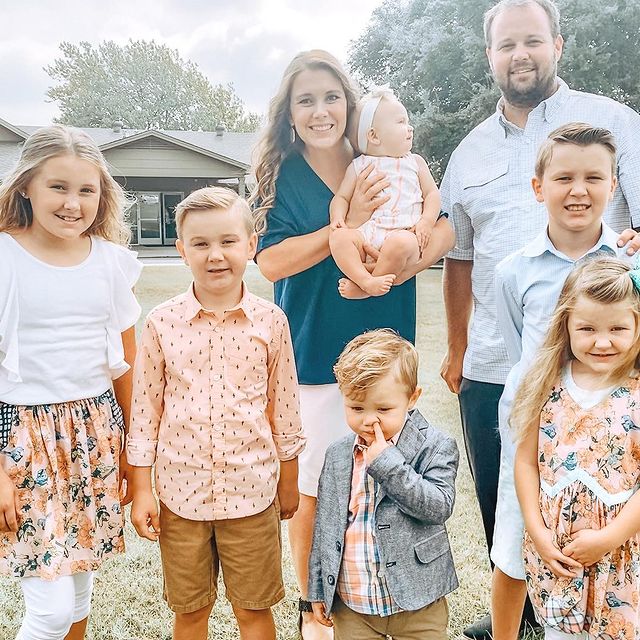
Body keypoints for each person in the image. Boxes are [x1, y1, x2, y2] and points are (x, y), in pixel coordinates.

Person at [438, 0, 640, 636]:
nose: (519, 54)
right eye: (506, 44)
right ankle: (527, 615)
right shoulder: (469, 152)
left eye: (532, 40)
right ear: (489, 56)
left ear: (558, 44)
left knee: (604, 506)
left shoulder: (615, 124)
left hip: (606, 388)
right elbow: (461, 259)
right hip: (506, 373)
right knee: (510, 512)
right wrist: (458, 349)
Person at [251, 49, 454, 639]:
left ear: (351, 104)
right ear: (289, 113)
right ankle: (314, 608)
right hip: (316, 351)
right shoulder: (285, 175)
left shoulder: (383, 158)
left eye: (331, 97)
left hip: (386, 342)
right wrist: (345, 224)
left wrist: (404, 260)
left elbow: (443, 228)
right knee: (317, 485)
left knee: (385, 476)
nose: (320, 111)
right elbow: (271, 261)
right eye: (305, 101)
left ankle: (380, 601)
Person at [127, 187, 305, 640]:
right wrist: (143, 490)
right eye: (201, 244)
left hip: (252, 492)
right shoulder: (162, 322)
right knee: (190, 612)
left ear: (250, 245)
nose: (216, 255)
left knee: (253, 610)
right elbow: (145, 411)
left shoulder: (271, 321)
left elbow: (284, 406)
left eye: (228, 241)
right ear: (182, 250)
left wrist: (289, 479)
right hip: (180, 496)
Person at [493, 123, 636, 639]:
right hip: (541, 432)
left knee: (614, 545)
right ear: (539, 187)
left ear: (613, 186)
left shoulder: (629, 265)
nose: (579, 190)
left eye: (594, 178)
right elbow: (522, 354)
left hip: (613, 434)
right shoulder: (515, 271)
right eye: (564, 178)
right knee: (514, 546)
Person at [0, 125, 141, 640]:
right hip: (22, 438)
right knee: (51, 611)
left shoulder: (109, 261)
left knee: (80, 588)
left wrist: (133, 451)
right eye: (57, 187)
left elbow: (126, 362)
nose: (72, 203)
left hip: (94, 432)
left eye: (86, 190)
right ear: (26, 186)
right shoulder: (5, 257)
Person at [512, 256, 640, 639]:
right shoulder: (545, 382)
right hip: (556, 556)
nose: (602, 341)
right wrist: (537, 532)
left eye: (618, 328)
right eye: (587, 328)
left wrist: (607, 539)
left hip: (621, 555)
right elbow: (526, 463)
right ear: (565, 324)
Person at [308, 329, 458, 640]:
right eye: (356, 408)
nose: (369, 420)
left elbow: (438, 506)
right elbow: (326, 524)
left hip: (419, 603)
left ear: (412, 398)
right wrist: (318, 588)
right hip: (354, 602)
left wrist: (388, 464)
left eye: (383, 409)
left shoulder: (436, 446)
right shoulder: (337, 454)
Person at [329, 88, 441, 298]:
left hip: (404, 233)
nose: (410, 127)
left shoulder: (415, 162)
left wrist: (426, 221)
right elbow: (341, 197)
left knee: (400, 244)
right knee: (339, 238)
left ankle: (364, 289)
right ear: (374, 135)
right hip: (368, 233)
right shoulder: (359, 165)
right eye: (401, 122)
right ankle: (365, 279)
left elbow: (432, 194)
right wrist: (337, 217)